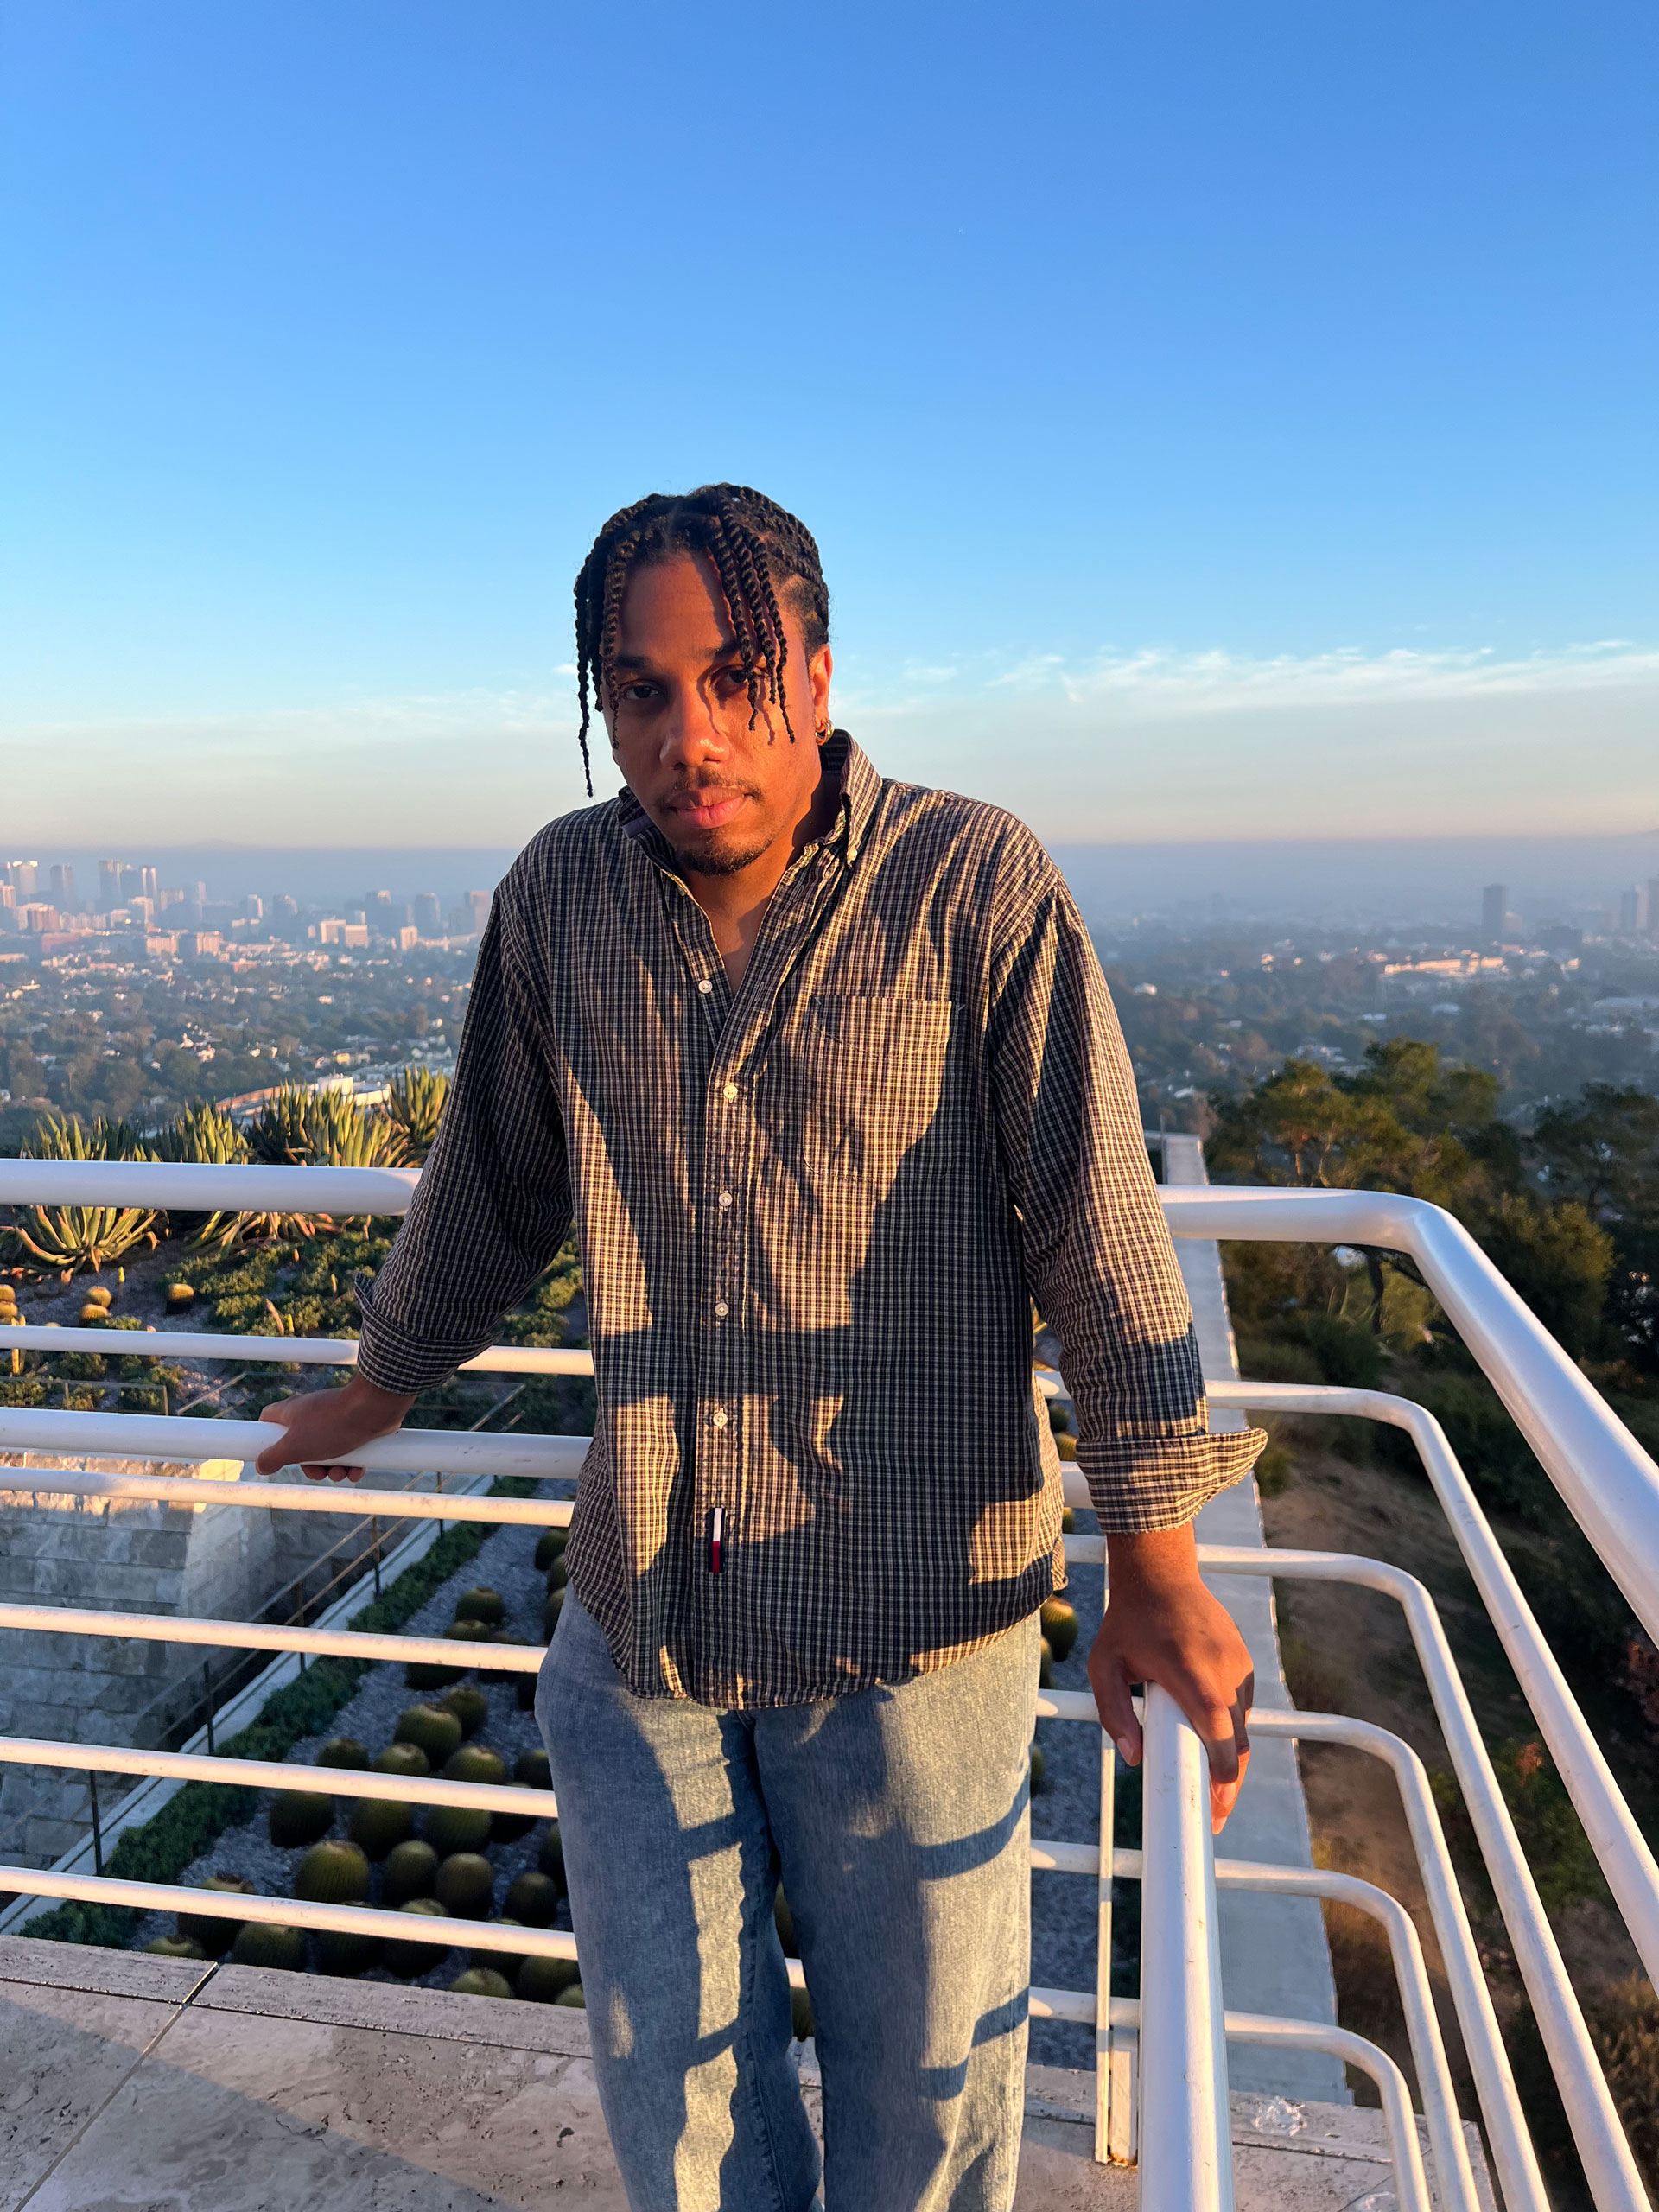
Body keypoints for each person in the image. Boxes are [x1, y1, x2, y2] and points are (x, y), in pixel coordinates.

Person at [256, 483, 1264, 2212]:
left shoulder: (975, 885)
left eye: (734, 675)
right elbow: (489, 1176)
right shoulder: (562, 897)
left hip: (913, 1626)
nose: (691, 734)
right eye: (642, 692)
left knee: (925, 2111)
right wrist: (382, 1379)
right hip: (643, 1604)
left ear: (814, 667)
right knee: (682, 2104)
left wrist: (1152, 1559)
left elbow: (1096, 1227)